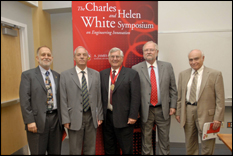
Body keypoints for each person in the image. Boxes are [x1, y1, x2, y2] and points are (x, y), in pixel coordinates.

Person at [175, 49, 225, 155]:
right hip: (188, 111)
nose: (193, 62)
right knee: (190, 143)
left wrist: (218, 118)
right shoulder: (183, 74)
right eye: (190, 60)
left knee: (207, 144)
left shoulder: (215, 74)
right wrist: (179, 112)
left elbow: (220, 99)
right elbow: (180, 96)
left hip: (208, 114)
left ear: (203, 58)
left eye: (196, 59)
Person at [132, 41, 177, 155]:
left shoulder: (167, 66)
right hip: (145, 110)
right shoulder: (136, 68)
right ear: (143, 53)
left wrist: (173, 106)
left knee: (164, 140)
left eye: (151, 50)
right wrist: (136, 110)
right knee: (146, 141)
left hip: (163, 109)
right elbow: (134, 92)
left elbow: (173, 88)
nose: (149, 52)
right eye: (146, 50)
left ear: (157, 52)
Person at [19, 46, 63, 155]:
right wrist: (29, 121)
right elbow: (25, 100)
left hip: (56, 121)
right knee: (38, 151)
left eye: (48, 55)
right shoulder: (28, 75)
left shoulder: (57, 76)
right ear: (37, 58)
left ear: (52, 58)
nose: (46, 57)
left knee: (56, 152)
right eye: (43, 55)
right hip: (36, 122)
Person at [60, 46, 103, 155]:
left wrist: (100, 116)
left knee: (90, 148)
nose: (82, 57)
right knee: (75, 149)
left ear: (88, 57)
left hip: (91, 117)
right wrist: (65, 119)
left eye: (84, 55)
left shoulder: (96, 74)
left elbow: (99, 97)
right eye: (79, 55)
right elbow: (63, 98)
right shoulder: (65, 75)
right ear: (74, 57)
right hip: (73, 117)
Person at [100, 47, 141, 154]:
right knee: (109, 147)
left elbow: (136, 97)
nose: (115, 59)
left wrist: (133, 115)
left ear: (122, 58)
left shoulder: (131, 74)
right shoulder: (102, 74)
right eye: (112, 56)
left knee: (126, 148)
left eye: (117, 56)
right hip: (107, 117)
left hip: (125, 118)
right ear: (108, 59)